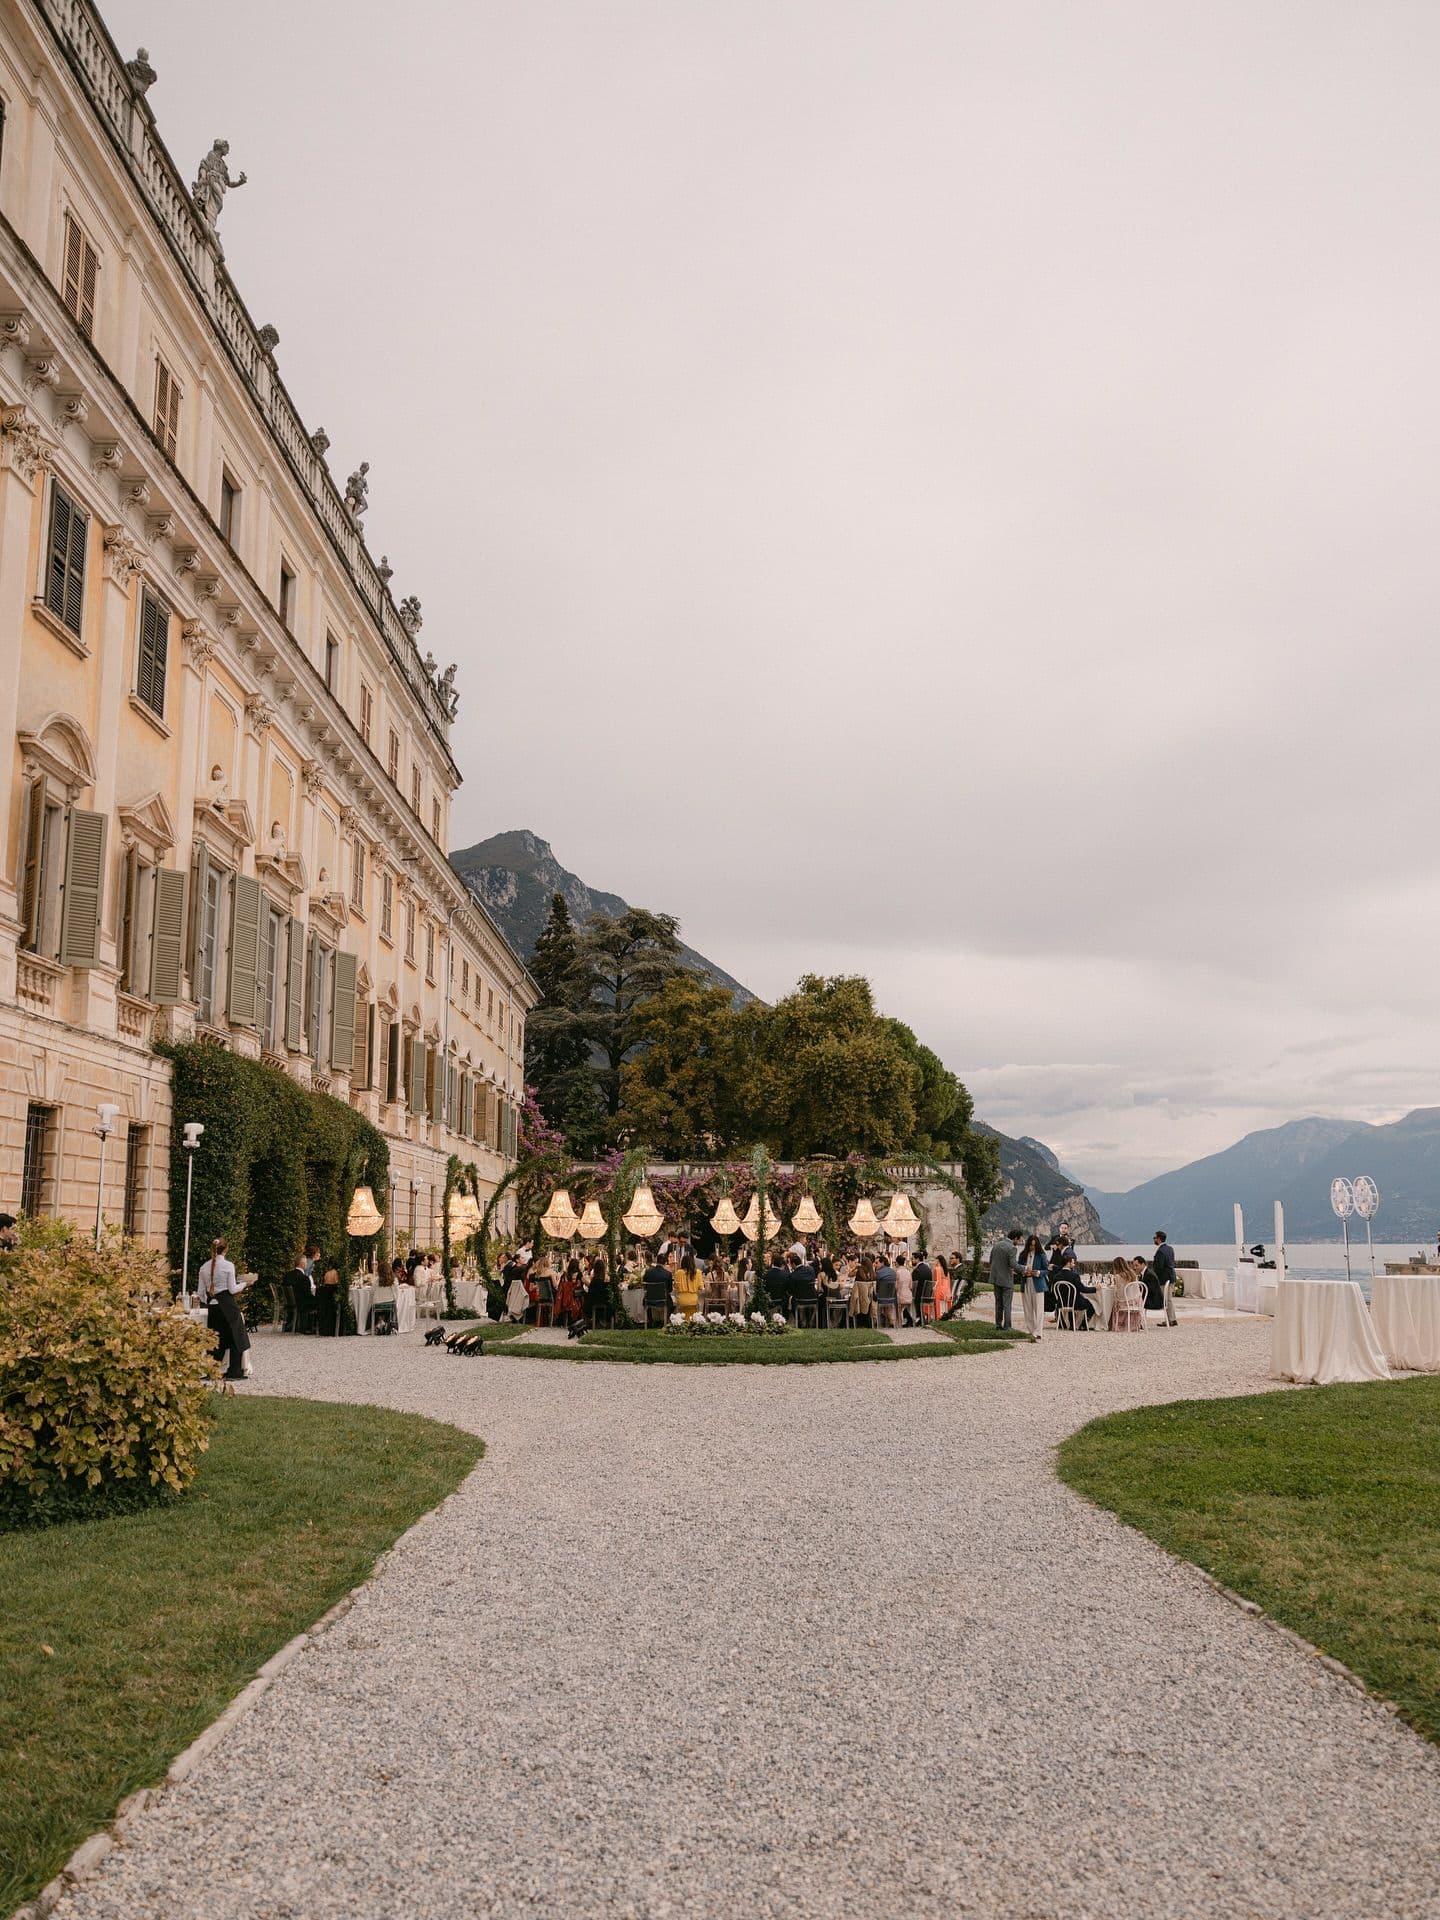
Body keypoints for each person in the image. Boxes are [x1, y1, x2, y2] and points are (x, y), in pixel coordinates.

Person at [197, 1236, 250, 1380]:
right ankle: (234, 1370)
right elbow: (232, 1289)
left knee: (215, 1339)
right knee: (236, 1336)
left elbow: (201, 1293)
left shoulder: (204, 1267)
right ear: (226, 1249)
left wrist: (207, 1301)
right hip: (227, 1304)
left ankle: (212, 1370)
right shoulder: (228, 1266)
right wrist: (245, 1283)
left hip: (213, 1306)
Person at [988, 1229, 1022, 1330]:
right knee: (1007, 1304)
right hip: (1006, 1279)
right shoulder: (1012, 1248)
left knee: (998, 1303)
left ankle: (998, 1324)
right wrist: (1024, 1269)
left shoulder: (997, 1245)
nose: (1019, 1242)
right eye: (1019, 1240)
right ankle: (1007, 1326)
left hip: (995, 1278)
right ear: (1015, 1238)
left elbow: (991, 1260)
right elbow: (1013, 1264)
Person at [1019, 1233, 1048, 1339]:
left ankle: (1038, 1331)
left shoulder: (1041, 1255)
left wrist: (1038, 1272)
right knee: (1028, 1308)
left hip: (1038, 1284)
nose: (1032, 1247)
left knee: (1039, 1308)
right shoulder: (1023, 1255)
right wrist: (1024, 1271)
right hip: (1026, 1282)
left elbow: (1046, 1269)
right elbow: (1018, 1267)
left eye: (1034, 1245)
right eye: (1031, 1245)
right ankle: (1031, 1330)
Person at [1150, 1230, 1178, 1324]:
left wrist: (1153, 1277)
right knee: (1168, 1299)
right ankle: (1171, 1319)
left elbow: (1159, 1267)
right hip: (1171, 1276)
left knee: (1167, 1299)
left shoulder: (1161, 1251)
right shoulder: (1170, 1248)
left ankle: (1171, 1320)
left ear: (1159, 1239)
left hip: (1164, 1279)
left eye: (1154, 1238)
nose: (1154, 1240)